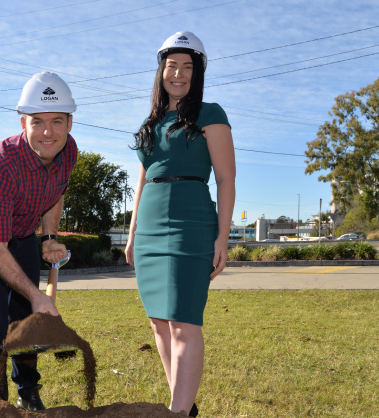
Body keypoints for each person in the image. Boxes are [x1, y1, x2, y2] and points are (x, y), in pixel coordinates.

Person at [125, 31, 235, 417]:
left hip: (190, 223)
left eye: (188, 67)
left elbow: (225, 179)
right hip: (151, 226)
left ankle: (176, 412)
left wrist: (223, 236)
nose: (179, 73)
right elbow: (142, 180)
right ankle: (184, 406)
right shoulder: (150, 122)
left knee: (184, 322)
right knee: (159, 322)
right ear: (161, 70)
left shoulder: (210, 114)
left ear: (197, 73)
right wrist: (133, 233)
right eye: (172, 65)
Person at [0, 72, 77, 411]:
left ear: (70, 122)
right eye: (37, 121)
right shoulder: (0, 165)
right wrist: (37, 294)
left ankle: (27, 390)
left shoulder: (68, 151)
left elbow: (56, 192)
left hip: (24, 231)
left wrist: (50, 236)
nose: (47, 132)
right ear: (23, 121)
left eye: (57, 121)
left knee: (24, 319)